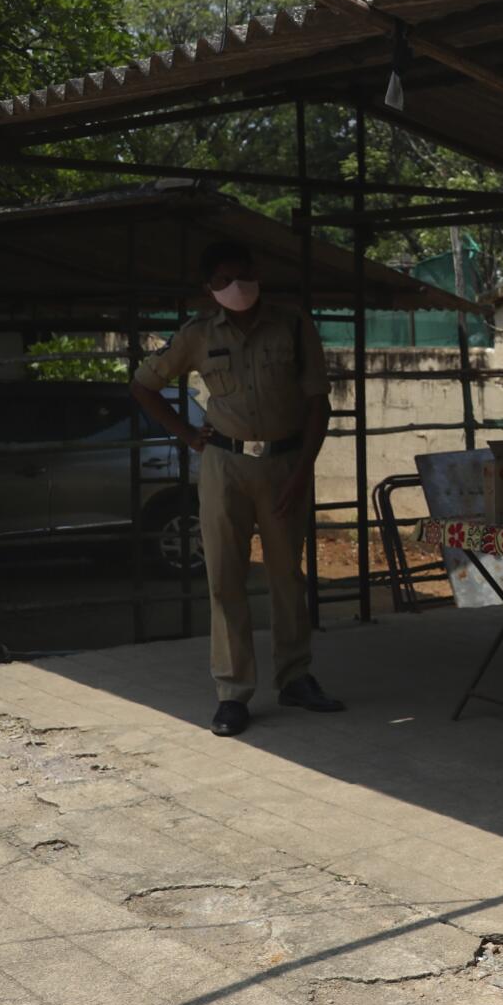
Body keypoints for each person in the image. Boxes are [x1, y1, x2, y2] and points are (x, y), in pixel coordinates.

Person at [129, 240, 345, 738]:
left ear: (257, 275)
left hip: (285, 465)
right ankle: (233, 693)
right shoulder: (198, 334)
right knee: (224, 578)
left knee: (287, 576)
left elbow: (318, 403)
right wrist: (187, 435)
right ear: (210, 289)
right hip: (224, 466)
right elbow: (144, 386)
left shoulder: (292, 324)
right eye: (225, 279)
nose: (238, 286)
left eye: (244, 275)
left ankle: (295, 676)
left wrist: (303, 469)